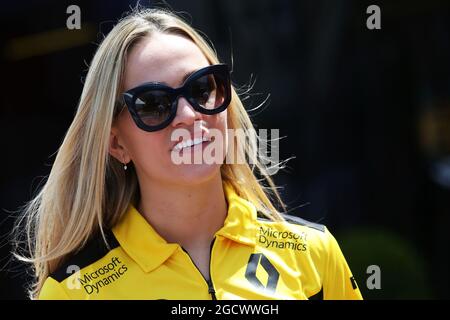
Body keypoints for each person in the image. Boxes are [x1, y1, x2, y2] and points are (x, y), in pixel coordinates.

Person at [14, 7, 362, 300]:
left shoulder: (315, 254)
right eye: (153, 104)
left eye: (201, 88)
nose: (188, 115)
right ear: (117, 144)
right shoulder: (74, 292)